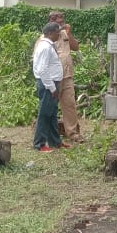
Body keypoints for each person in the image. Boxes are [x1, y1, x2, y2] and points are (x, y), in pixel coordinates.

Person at [48, 10, 84, 143]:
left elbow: (76, 47)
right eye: (59, 20)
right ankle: (48, 134)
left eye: (63, 20)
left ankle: (73, 133)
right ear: (51, 20)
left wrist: (69, 34)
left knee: (70, 104)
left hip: (67, 75)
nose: (62, 22)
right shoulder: (46, 37)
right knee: (50, 105)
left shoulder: (64, 34)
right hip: (53, 77)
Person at [32, 22, 68, 151]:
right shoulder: (45, 48)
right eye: (57, 32)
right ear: (50, 33)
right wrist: (52, 88)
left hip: (52, 83)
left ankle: (55, 141)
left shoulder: (48, 46)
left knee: (52, 114)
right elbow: (42, 70)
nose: (59, 35)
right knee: (45, 114)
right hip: (48, 84)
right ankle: (39, 144)